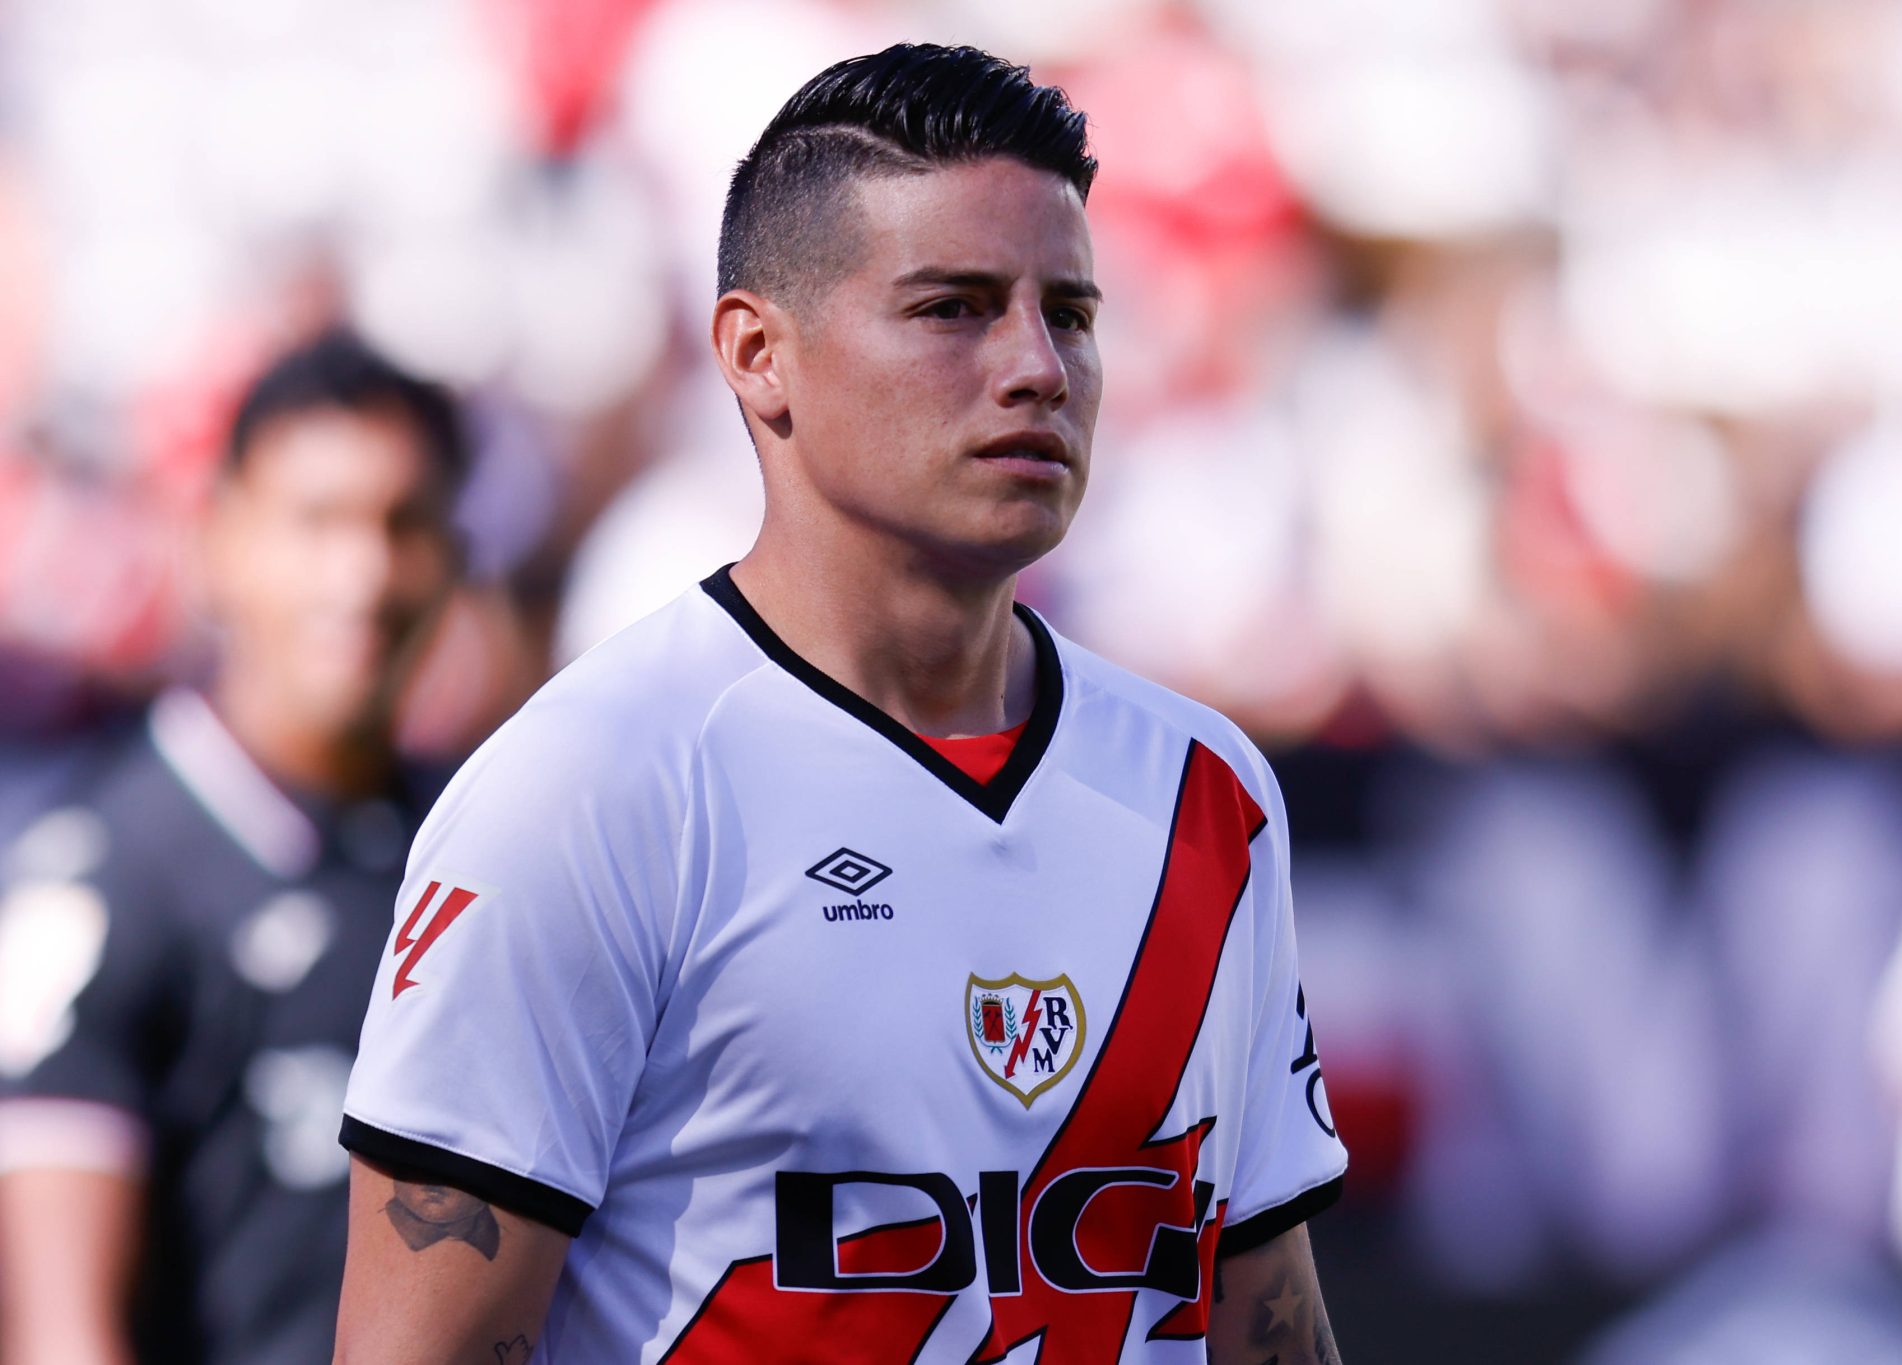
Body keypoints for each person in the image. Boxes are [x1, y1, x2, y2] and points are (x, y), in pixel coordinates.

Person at [334, 44, 1348, 1364]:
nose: (1038, 366)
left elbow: (1267, 1323)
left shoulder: (1207, 792)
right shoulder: (589, 788)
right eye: (955, 308)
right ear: (760, 356)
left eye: (1075, 314)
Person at [0, 330, 466, 1365]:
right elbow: (63, 1335)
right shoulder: (105, 881)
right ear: (218, 542)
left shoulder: (480, 849)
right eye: (316, 523)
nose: (364, 573)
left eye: (405, 523)